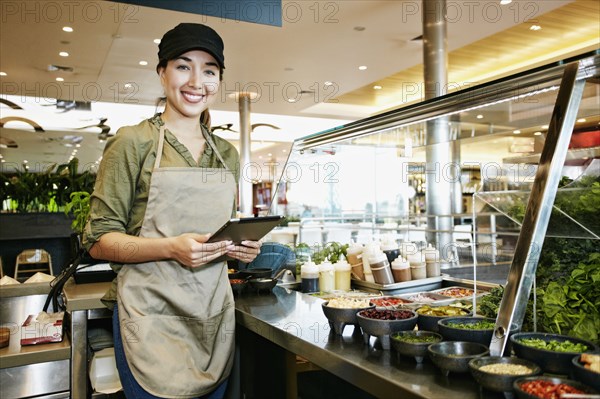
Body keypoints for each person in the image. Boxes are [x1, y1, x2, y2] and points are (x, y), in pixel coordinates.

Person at [83, 23, 261, 399]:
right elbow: (98, 241)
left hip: (213, 317)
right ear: (162, 72)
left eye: (209, 70)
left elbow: (216, 235)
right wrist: (171, 248)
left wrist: (238, 247)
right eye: (183, 66)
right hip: (149, 321)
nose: (197, 80)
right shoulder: (133, 142)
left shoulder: (225, 153)